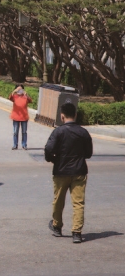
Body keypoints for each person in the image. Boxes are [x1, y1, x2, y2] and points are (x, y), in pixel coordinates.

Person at [45, 103, 93, 244]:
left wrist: (53, 160)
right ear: (76, 115)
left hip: (61, 171)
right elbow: (88, 154)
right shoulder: (83, 132)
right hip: (79, 171)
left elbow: (48, 149)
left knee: (58, 200)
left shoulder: (58, 132)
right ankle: (77, 232)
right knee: (78, 203)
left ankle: (57, 226)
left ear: (62, 115)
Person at [10, 84, 32, 150]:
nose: (20, 91)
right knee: (15, 132)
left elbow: (30, 101)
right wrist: (14, 91)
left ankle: (24, 145)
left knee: (24, 132)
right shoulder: (15, 96)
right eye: (18, 89)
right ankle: (15, 145)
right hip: (16, 117)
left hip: (24, 117)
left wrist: (26, 94)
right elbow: (10, 97)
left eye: (21, 89)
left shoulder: (25, 97)